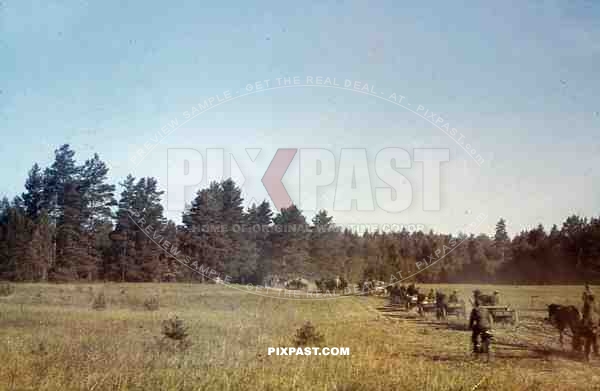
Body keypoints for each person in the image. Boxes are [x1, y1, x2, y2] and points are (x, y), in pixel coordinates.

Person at [581, 293, 599, 361]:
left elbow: (585, 314)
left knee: (588, 341)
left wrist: (585, 324)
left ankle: (588, 356)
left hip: (590, 325)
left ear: (589, 299)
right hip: (596, 325)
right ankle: (596, 352)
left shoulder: (588, 305)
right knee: (595, 340)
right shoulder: (595, 305)